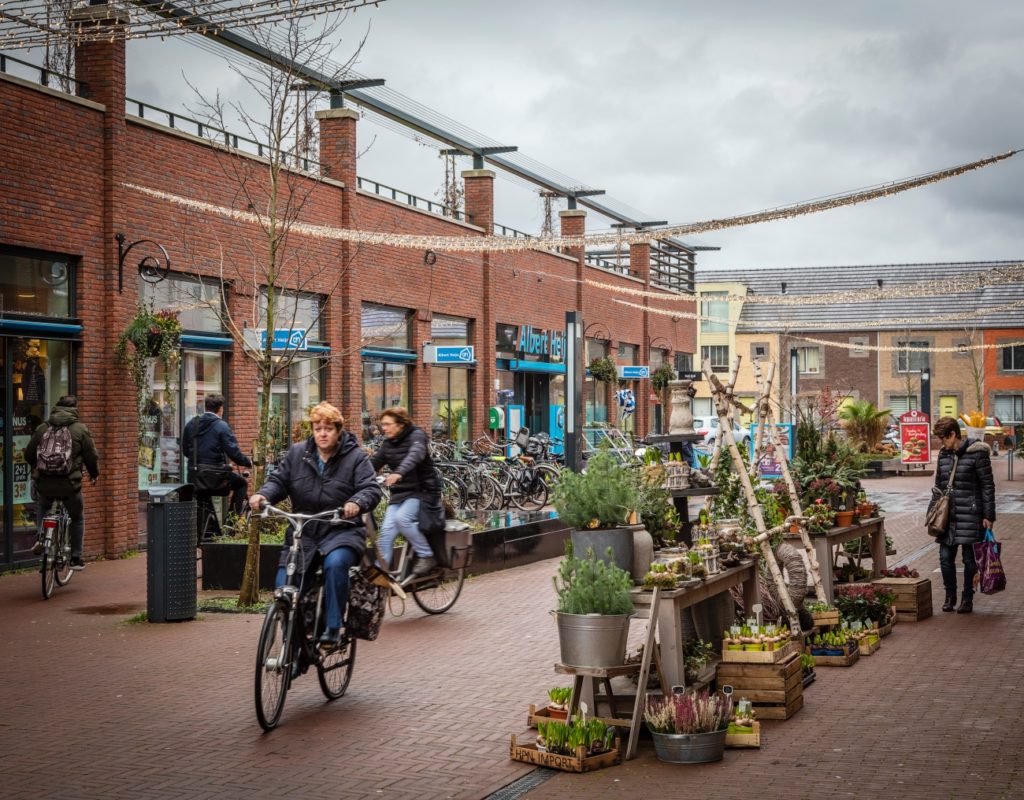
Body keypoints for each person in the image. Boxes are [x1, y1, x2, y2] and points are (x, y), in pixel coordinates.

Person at [250, 402, 381, 646]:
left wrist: (356, 502)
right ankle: (296, 643)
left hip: (341, 530)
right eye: (318, 428)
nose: (322, 433)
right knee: (284, 585)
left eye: (328, 429)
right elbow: (279, 480)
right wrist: (263, 495)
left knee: (335, 564)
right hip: (305, 532)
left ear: (338, 430)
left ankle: (333, 626)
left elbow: (370, 488)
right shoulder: (298, 454)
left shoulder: (355, 458)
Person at [929, 416, 996, 614]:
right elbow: (939, 487)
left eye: (943, 438)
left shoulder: (977, 454)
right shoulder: (943, 455)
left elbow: (987, 486)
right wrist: (932, 512)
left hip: (971, 515)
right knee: (945, 558)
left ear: (953, 434)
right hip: (948, 517)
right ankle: (950, 596)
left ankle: (967, 598)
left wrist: (989, 515)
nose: (942, 443)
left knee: (969, 560)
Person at [25, 395, 100, 570]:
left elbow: (29, 454)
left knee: (43, 506)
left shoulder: (43, 428)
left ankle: (41, 538)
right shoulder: (80, 429)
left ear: (56, 407)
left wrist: (39, 470)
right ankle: (75, 558)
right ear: (75, 409)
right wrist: (94, 474)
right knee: (77, 517)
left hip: (44, 483)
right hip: (69, 486)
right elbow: (91, 456)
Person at [370, 406, 441, 578]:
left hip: (423, 491)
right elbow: (373, 464)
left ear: (401, 424)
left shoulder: (417, 436)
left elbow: (415, 455)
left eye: (387, 424)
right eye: (382, 425)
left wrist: (398, 472)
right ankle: (382, 573)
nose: (384, 428)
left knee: (402, 518)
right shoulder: (388, 444)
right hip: (400, 494)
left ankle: (426, 556)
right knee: (386, 532)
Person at [181, 394, 252, 538]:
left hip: (195, 477)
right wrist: (247, 462)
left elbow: (185, 451)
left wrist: (201, 463)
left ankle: (207, 534)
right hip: (216, 479)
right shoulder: (222, 426)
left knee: (203, 497)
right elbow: (233, 452)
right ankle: (230, 527)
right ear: (221, 409)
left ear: (205, 407)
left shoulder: (191, 424)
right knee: (241, 484)